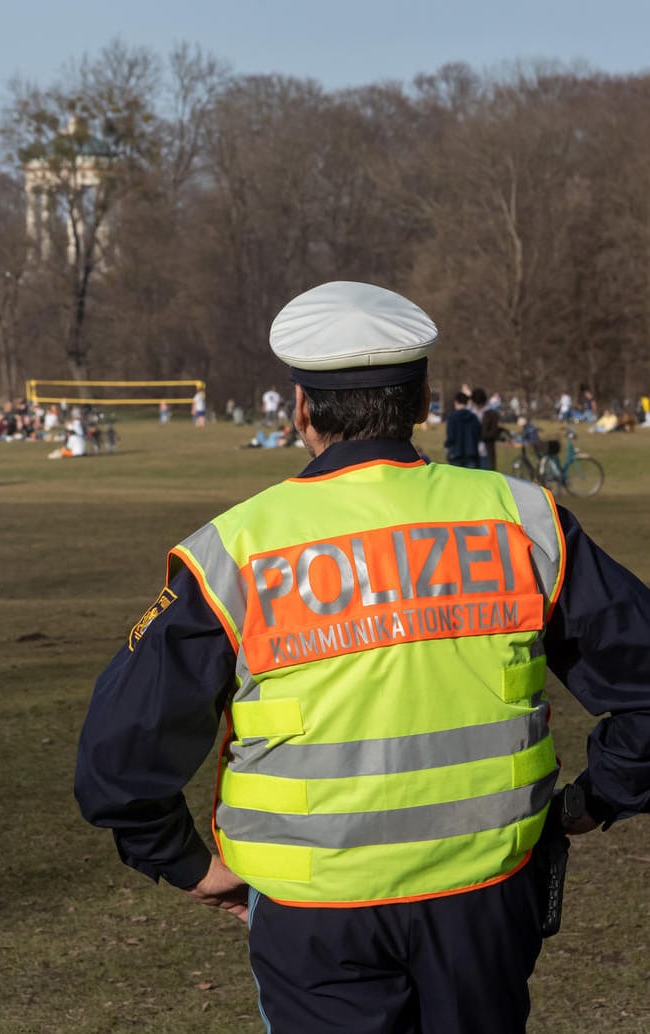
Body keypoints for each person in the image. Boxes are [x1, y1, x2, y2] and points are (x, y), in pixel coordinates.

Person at [75, 280, 650, 1033]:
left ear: (300, 409)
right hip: (483, 894)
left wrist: (180, 861)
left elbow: (118, 754)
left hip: (313, 913)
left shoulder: (235, 551)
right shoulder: (524, 519)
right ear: (420, 405)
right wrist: (595, 797)